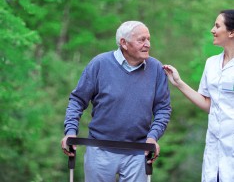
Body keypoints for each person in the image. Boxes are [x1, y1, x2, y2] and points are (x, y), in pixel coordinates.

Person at [61, 20, 171, 182]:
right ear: (123, 43)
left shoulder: (156, 68)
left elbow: (163, 109)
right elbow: (77, 100)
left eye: (148, 39)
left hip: (139, 151)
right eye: (141, 40)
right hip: (99, 151)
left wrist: (152, 137)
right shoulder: (99, 64)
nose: (147, 44)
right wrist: (70, 131)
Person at [163, 9, 234, 182]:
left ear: (231, 32)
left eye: (217, 26)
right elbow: (208, 104)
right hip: (214, 150)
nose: (212, 30)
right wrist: (178, 83)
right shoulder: (211, 64)